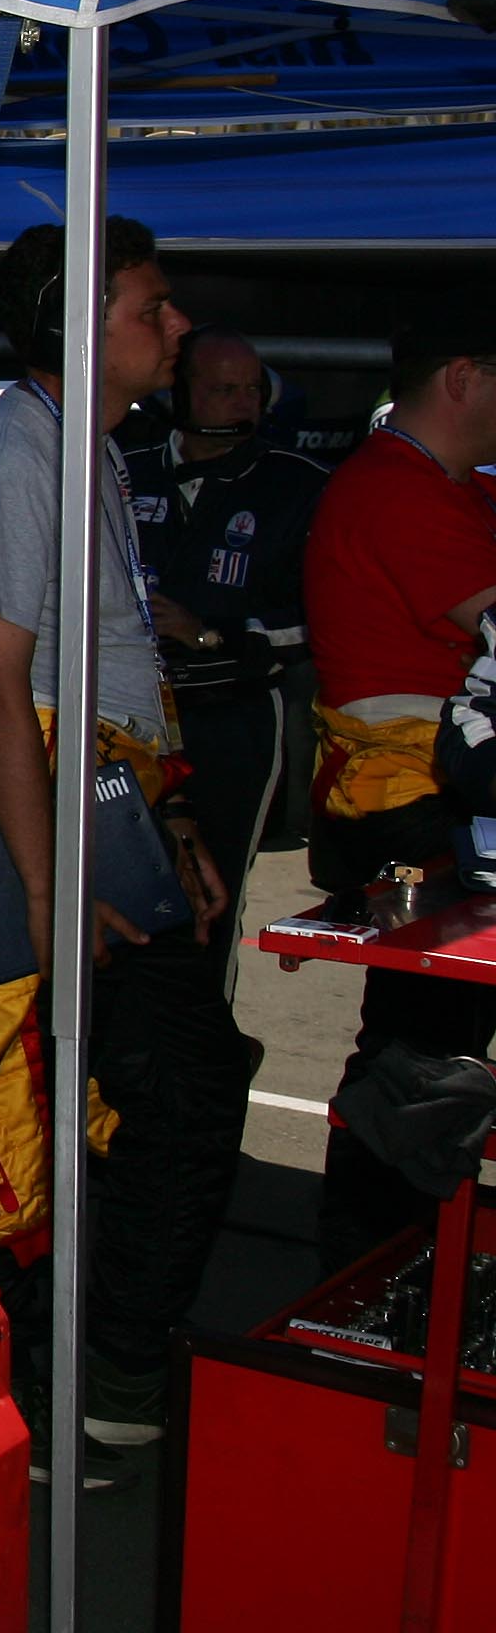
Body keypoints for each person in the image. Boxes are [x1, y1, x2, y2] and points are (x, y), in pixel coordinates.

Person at [0, 218, 248, 1454]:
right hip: (38, 826)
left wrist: (172, 815)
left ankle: (69, 1382)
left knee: (146, 1099)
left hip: (104, 808)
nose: (177, 327)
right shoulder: (8, 457)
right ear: (81, 320)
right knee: (74, 1112)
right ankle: (63, 1393)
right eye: (153, 305)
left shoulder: (86, 450)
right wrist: (51, 881)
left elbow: (113, 669)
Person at [305, 293, 496, 1267]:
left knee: (432, 1061)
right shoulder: (403, 491)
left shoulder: (453, 488)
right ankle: (372, 1274)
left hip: (431, 808)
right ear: (463, 376)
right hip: (412, 811)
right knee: (417, 1068)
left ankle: (396, 1265)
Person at [121, 328, 325, 972]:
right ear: (179, 392)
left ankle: (207, 1047)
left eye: (252, 391)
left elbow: (308, 627)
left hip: (230, 715)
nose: (242, 404)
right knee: (124, 892)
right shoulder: (122, 465)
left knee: (212, 893)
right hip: (127, 710)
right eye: (223, 389)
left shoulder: (297, 486)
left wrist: (203, 632)